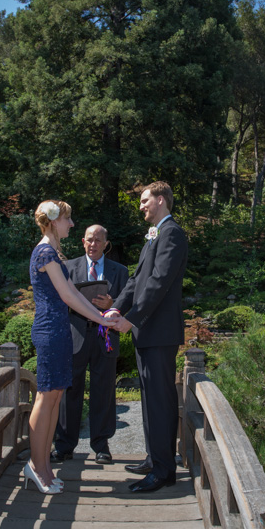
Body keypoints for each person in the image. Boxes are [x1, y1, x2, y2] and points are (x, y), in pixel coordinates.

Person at [25, 200, 117, 494]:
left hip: (59, 331)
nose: (72, 224)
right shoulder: (45, 252)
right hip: (51, 331)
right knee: (45, 398)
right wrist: (102, 318)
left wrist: (101, 317)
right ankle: (36, 467)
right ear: (53, 221)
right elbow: (69, 297)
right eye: (68, 219)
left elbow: (70, 297)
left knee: (53, 399)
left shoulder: (53, 252)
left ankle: (45, 468)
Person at [107, 181, 188, 493]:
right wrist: (115, 309)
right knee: (149, 398)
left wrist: (131, 318)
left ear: (161, 201)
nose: (140, 206)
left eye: (144, 200)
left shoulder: (173, 233)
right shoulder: (154, 234)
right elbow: (137, 280)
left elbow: (160, 281)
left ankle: (164, 471)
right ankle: (156, 458)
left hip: (159, 331)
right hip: (147, 330)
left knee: (160, 400)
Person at [52, 225, 129, 465]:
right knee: (69, 392)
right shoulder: (68, 268)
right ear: (82, 242)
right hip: (74, 336)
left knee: (104, 391)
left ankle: (101, 446)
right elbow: (58, 301)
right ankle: (64, 446)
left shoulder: (120, 271)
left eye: (98, 240)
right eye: (89, 240)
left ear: (106, 243)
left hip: (104, 336)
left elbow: (129, 302)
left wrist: (112, 302)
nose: (93, 244)